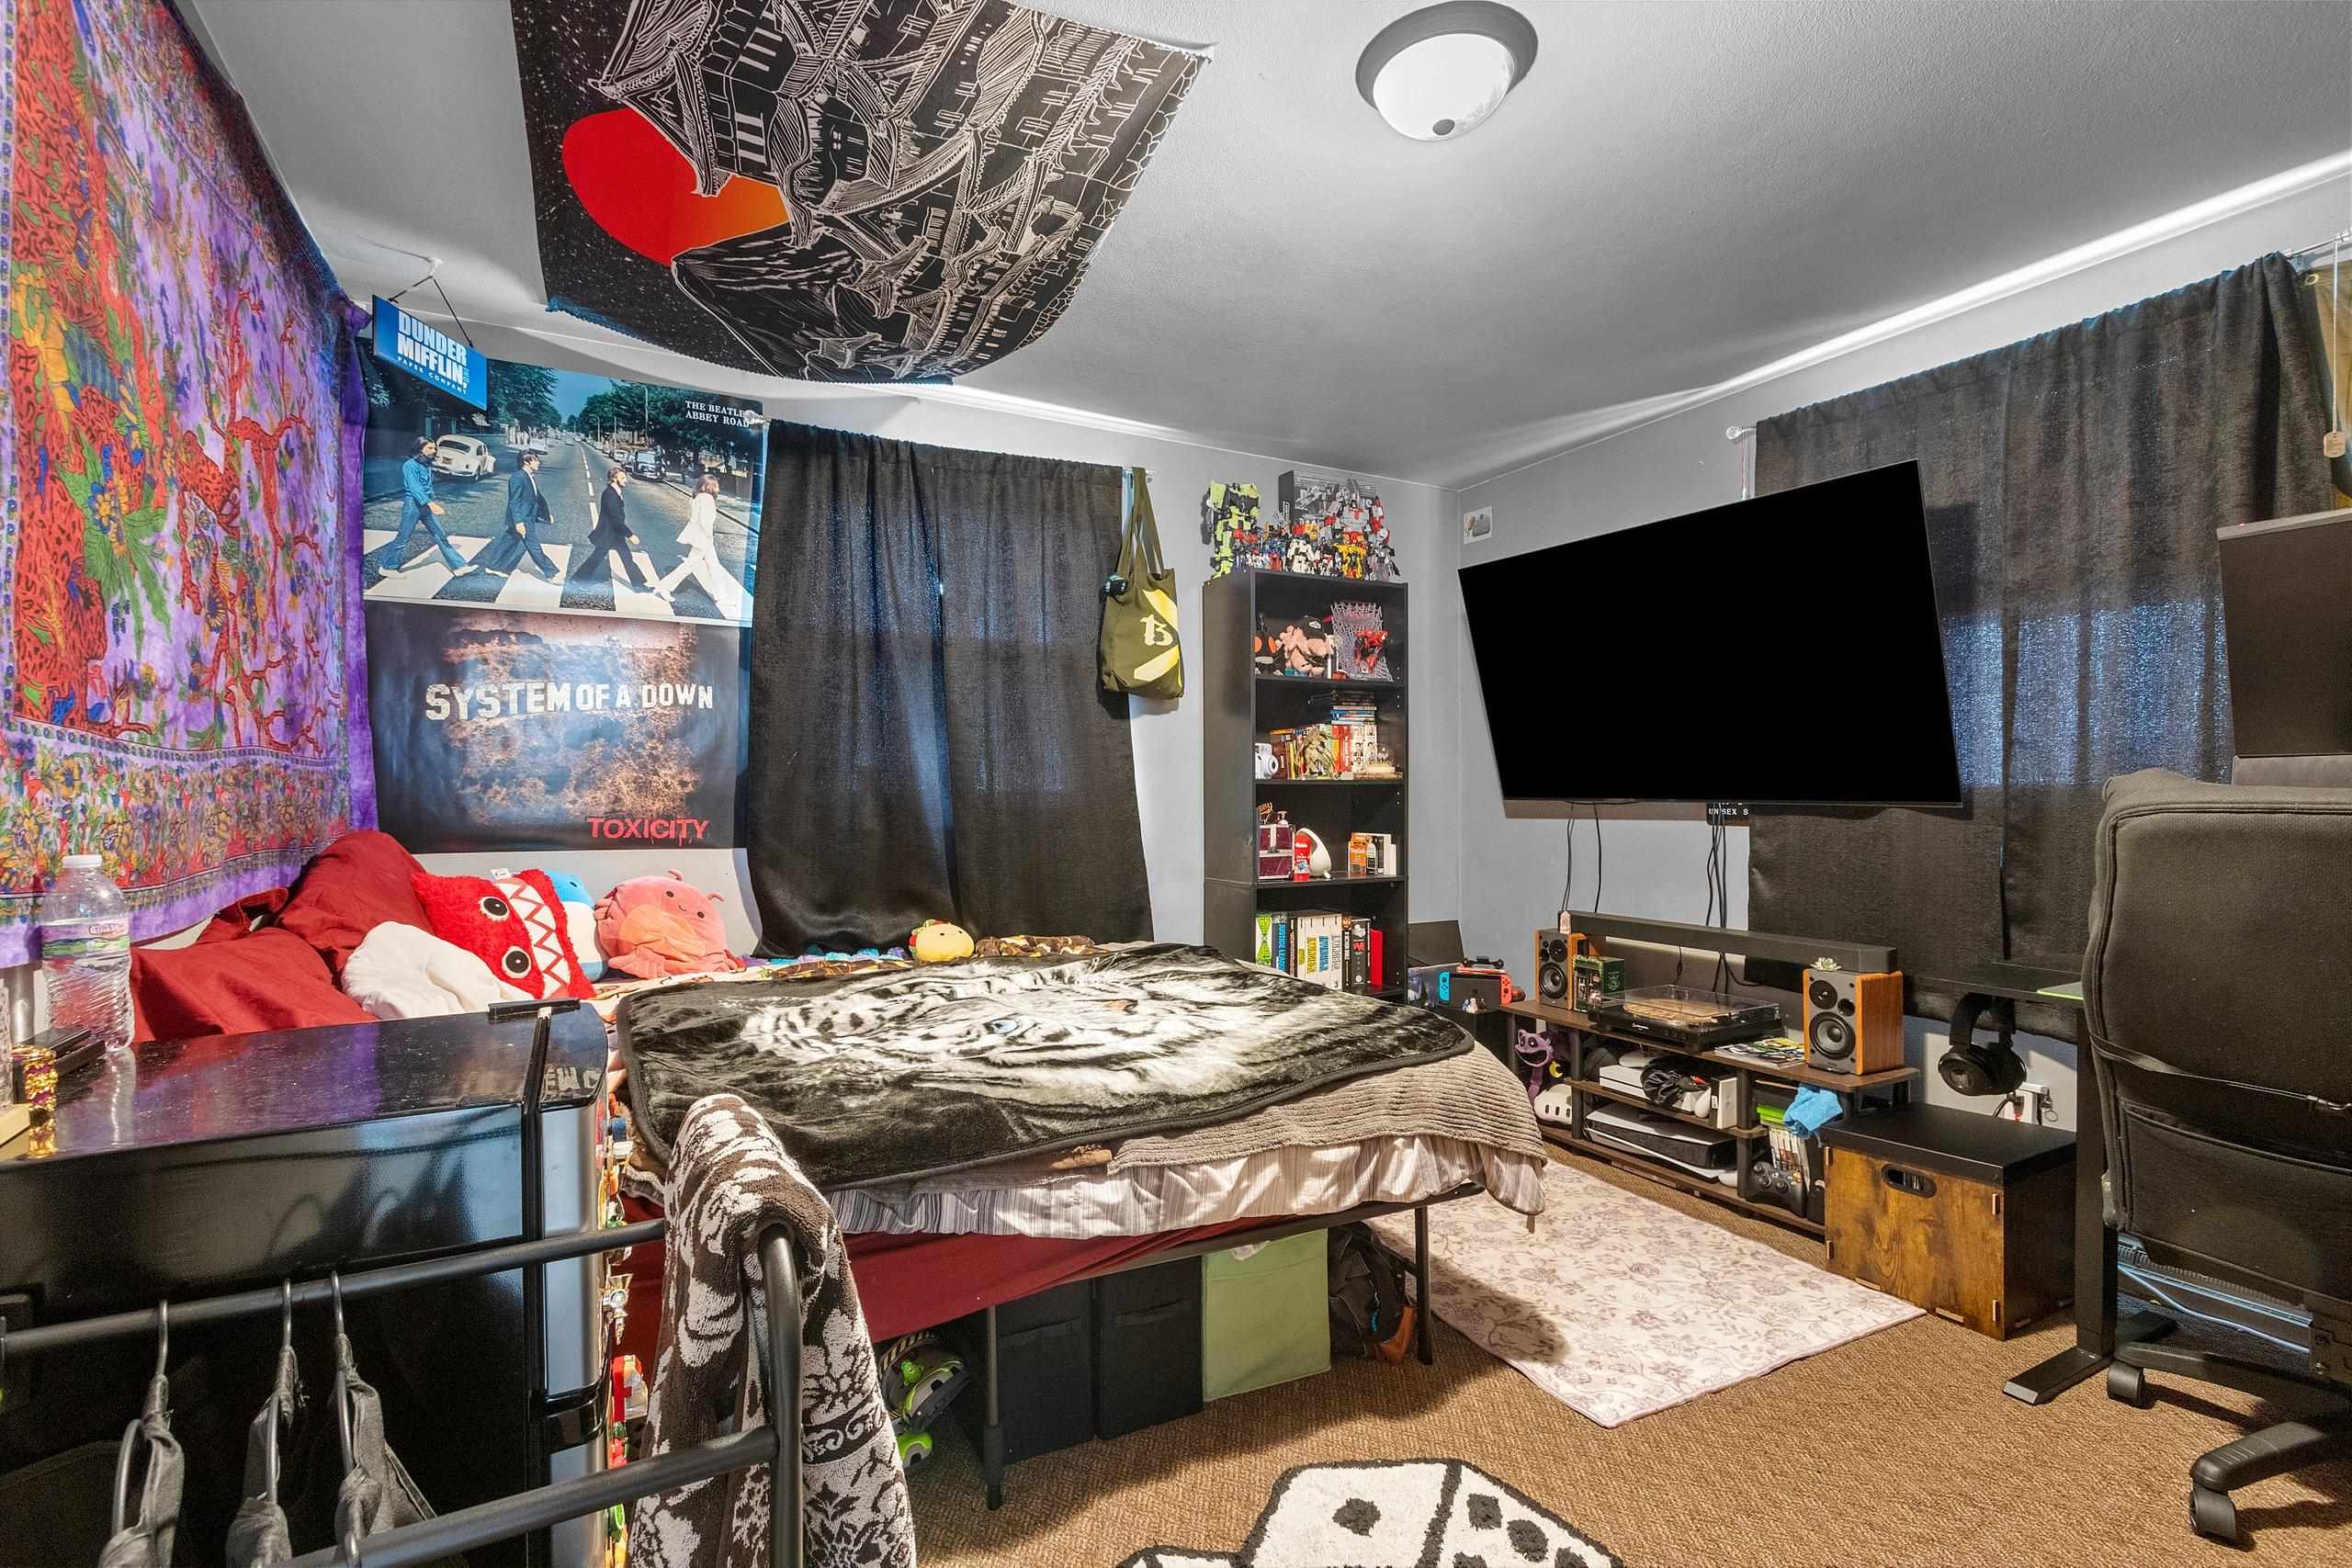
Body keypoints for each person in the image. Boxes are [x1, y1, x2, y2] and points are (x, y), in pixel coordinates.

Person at [364, 436, 465, 585]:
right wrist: (431, 504)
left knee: (440, 535)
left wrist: (430, 501)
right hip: (414, 506)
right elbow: (414, 488)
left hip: (425, 505)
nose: (434, 450)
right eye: (430, 448)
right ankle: (387, 567)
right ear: (420, 449)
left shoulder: (426, 464)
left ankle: (459, 566)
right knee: (403, 538)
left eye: (434, 448)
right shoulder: (410, 465)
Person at [465, 450, 559, 580]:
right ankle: (552, 573)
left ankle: (493, 567)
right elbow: (514, 501)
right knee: (534, 547)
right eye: (535, 460)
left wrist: (546, 515)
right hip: (523, 519)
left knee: (509, 541)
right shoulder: (518, 477)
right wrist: (518, 523)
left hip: (528, 516)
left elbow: (537, 498)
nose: (538, 462)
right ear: (526, 462)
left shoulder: (529, 476)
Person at [655, 475, 734, 611]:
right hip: (704, 538)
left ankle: (721, 596)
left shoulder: (695, 498)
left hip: (699, 536)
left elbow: (691, 517)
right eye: (715, 486)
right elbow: (704, 521)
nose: (718, 488)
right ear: (707, 487)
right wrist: (709, 535)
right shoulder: (707, 498)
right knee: (690, 565)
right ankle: (664, 587)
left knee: (713, 565)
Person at [571, 465, 651, 590]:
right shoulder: (610, 494)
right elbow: (616, 519)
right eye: (622, 478)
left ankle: (639, 585)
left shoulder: (615, 492)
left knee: (627, 558)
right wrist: (630, 535)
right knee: (596, 558)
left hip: (616, 534)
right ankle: (577, 580)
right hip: (608, 534)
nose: (626, 480)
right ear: (614, 479)